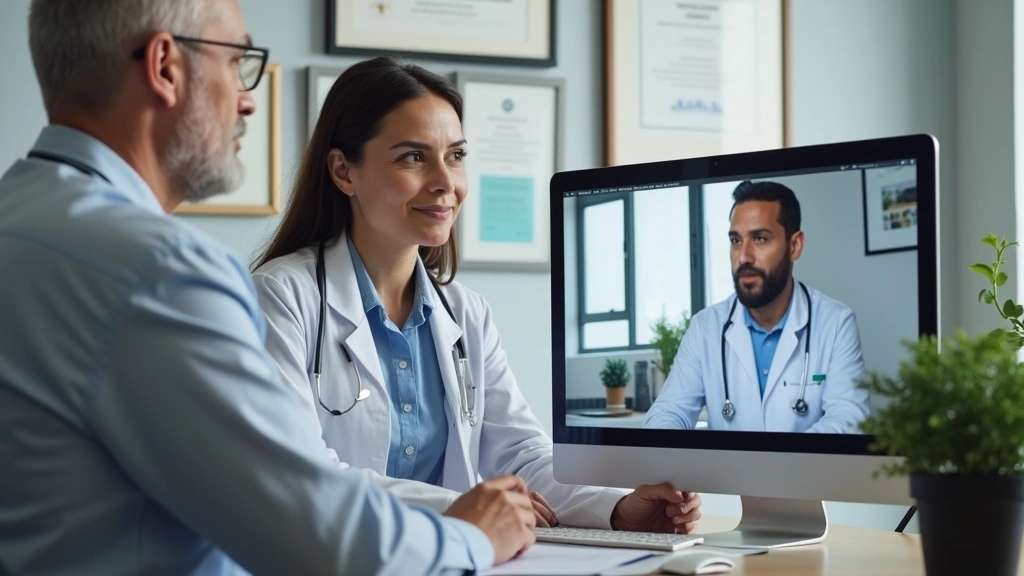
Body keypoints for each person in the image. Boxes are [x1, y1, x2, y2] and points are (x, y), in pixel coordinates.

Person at [0, 1, 542, 574]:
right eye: (238, 62)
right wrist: (473, 537)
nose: (248, 98)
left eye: (455, 156)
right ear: (164, 67)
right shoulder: (159, 271)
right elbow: (313, 531)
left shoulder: (22, 219)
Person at [249, 56, 704, 533]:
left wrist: (615, 508)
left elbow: (521, 454)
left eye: (456, 156)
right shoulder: (281, 300)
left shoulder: (465, 312)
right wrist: (460, 510)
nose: (447, 183)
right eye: (413, 157)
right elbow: (302, 473)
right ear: (344, 171)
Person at [644, 181, 870, 433]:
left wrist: (777, 465)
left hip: (803, 474)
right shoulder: (705, 327)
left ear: (794, 246)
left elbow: (849, 419)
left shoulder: (836, 323)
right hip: (724, 474)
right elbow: (668, 411)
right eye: (735, 240)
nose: (743, 257)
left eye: (760, 238)